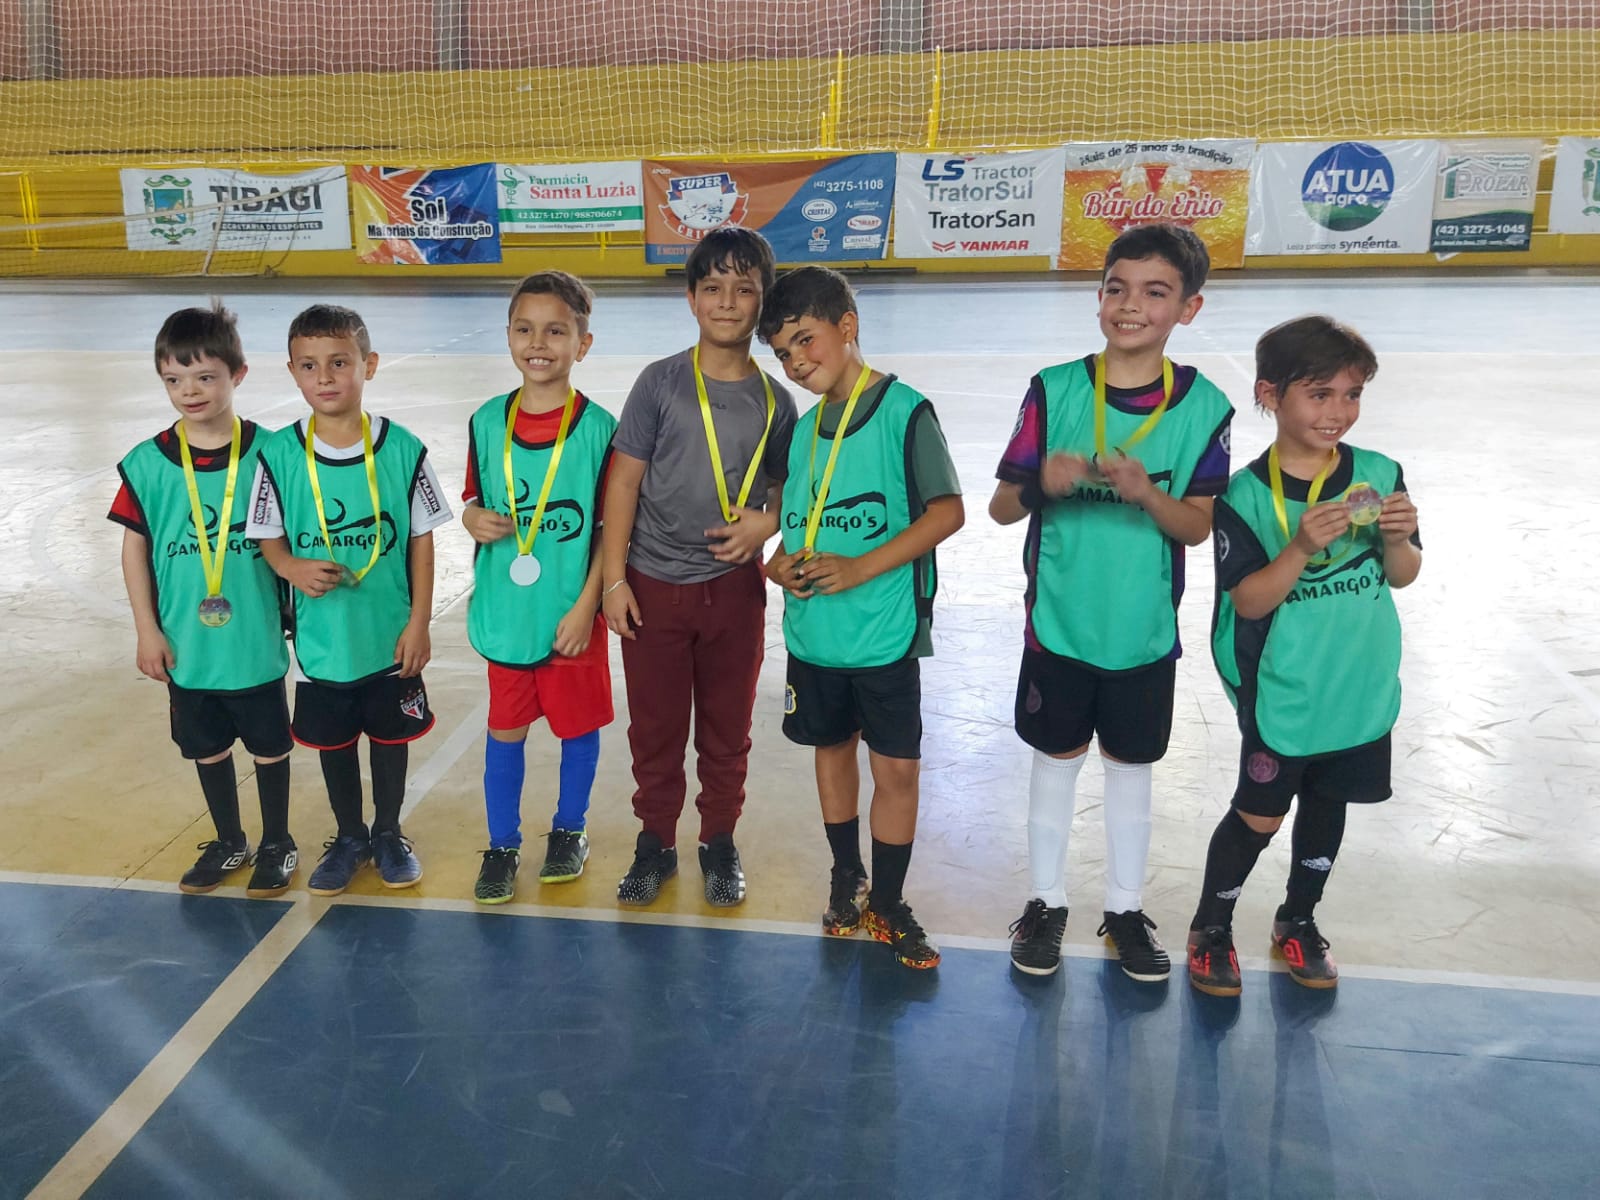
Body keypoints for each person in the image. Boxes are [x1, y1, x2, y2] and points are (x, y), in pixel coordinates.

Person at [991, 223, 1233, 982]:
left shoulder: (1205, 406)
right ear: (1099, 297)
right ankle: (1046, 901)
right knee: (1056, 762)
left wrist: (1146, 492)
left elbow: (1197, 526)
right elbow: (1001, 507)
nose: (1131, 306)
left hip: (1142, 634)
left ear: (1187, 309)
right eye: (1117, 288)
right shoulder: (1056, 388)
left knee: (1131, 771)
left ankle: (1125, 908)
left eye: (1155, 293)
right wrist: (1042, 485)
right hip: (1059, 628)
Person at [1186, 314, 1421, 996]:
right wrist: (1298, 549)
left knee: (1329, 802)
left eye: (1351, 394)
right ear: (1270, 395)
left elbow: (1402, 574)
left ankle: (1298, 920)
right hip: (1285, 686)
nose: (1338, 412)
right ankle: (1211, 926)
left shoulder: (1378, 473)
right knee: (1260, 813)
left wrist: (1400, 540)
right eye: (1319, 394)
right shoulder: (1245, 497)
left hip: (1359, 681)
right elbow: (1250, 602)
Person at [761, 265, 965, 970]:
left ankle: (889, 899)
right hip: (817, 636)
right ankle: (846, 875)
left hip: (882, 635)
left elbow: (947, 513)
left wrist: (857, 569)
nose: (796, 362)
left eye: (805, 341)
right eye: (783, 353)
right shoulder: (804, 429)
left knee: (897, 770)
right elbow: (795, 528)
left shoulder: (907, 413)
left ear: (847, 328)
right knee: (830, 752)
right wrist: (776, 565)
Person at [600, 227, 797, 907]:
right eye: (713, 287)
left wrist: (768, 525)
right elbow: (622, 484)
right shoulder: (659, 382)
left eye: (744, 289)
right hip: (652, 587)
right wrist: (614, 580)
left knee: (726, 727)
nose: (727, 301)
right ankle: (654, 841)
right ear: (691, 299)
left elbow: (784, 493)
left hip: (732, 594)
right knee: (654, 728)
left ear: (762, 302)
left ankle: (719, 840)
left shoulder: (777, 402)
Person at [246, 304, 452, 895]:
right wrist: (289, 565)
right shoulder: (279, 454)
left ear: (370, 365)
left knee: (390, 742)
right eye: (309, 366)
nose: (326, 377)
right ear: (292, 372)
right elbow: (267, 536)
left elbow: (421, 540)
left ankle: (388, 832)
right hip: (322, 643)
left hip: (389, 637)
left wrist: (420, 622)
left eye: (340, 362)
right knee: (334, 745)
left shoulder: (403, 448)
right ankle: (349, 835)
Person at [109, 301, 295, 897]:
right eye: (174, 379)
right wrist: (147, 630)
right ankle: (229, 839)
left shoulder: (274, 454)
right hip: (187, 642)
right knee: (206, 747)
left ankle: (277, 842)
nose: (189, 390)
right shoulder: (148, 463)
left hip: (255, 637)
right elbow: (135, 551)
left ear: (237, 375)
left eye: (205, 376)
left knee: (269, 746)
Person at [462, 271, 617, 903]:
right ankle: (502, 843)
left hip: (570, 616)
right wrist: (472, 517)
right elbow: (474, 499)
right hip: (508, 615)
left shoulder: (602, 429)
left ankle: (569, 829)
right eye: (525, 329)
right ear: (507, 336)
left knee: (578, 732)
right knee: (505, 732)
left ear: (583, 343)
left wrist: (589, 606)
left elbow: (613, 529)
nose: (539, 343)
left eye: (557, 330)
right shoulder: (484, 420)